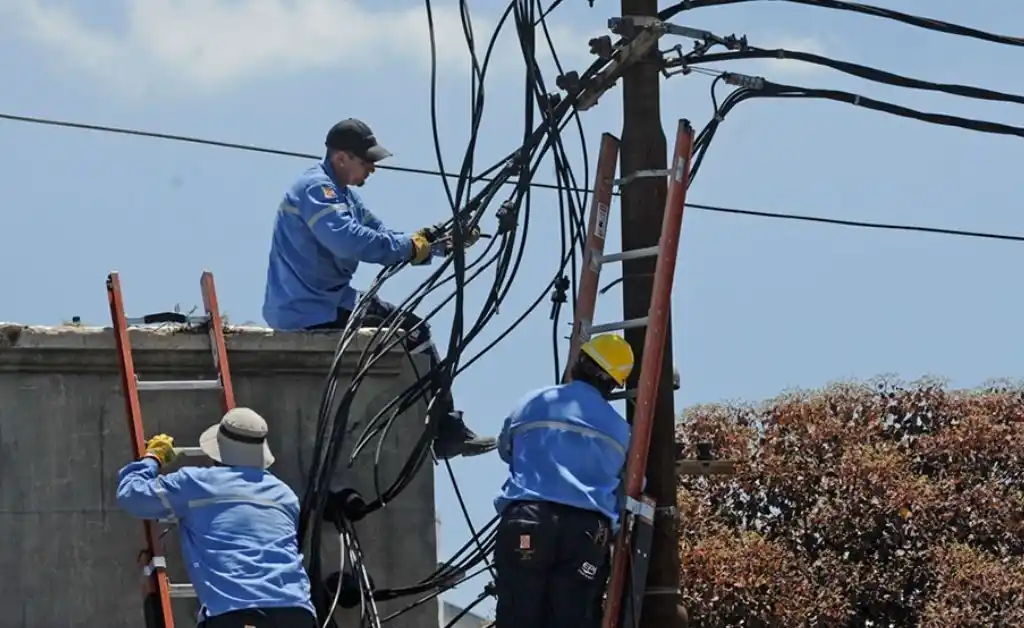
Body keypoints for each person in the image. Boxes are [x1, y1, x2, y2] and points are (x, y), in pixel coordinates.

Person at [261, 117, 495, 460]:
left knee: (410, 330)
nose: (372, 168)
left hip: (325, 301)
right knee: (414, 332)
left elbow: (384, 235)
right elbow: (350, 241)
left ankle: (438, 426)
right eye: (366, 160)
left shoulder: (344, 197)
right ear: (341, 157)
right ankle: (443, 429)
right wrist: (411, 246)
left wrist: (440, 243)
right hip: (310, 308)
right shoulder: (317, 190)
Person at [115, 407, 317, 628]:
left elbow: (131, 494)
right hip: (299, 613)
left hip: (238, 615)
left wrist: (152, 457)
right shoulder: (285, 495)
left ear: (217, 451)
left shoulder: (197, 484)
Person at [491, 333, 635, 628]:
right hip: (584, 534)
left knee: (517, 614)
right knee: (574, 617)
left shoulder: (533, 402)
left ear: (579, 362)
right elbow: (635, 485)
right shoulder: (621, 431)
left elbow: (507, 449)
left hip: (529, 520)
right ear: (612, 384)